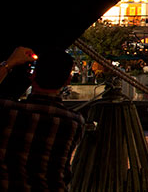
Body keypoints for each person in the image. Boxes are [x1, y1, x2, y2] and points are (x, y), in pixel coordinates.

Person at [0, 48, 85, 191]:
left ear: (33, 76)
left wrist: (9, 64)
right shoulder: (75, 122)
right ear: (67, 81)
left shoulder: (8, 110)